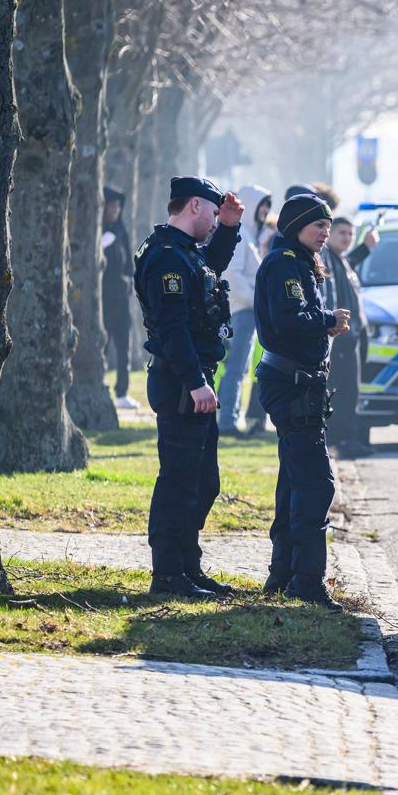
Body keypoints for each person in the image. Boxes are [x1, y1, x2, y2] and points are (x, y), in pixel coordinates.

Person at [133, 176, 244, 599]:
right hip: (181, 381)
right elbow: (172, 328)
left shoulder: (182, 252)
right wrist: (196, 382)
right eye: (214, 214)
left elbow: (208, 269)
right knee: (180, 480)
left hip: (194, 379)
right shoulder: (164, 256)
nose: (216, 222)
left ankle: (187, 567)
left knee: (203, 480)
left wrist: (231, 228)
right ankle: (167, 574)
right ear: (195, 206)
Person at [254, 193, 350, 608]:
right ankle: (308, 582)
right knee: (315, 483)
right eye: (319, 226)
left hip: (301, 383)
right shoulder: (284, 266)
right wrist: (328, 321)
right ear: (296, 226)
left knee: (294, 480)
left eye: (329, 226)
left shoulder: (299, 262)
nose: (325, 232)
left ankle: (284, 573)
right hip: (290, 383)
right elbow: (289, 321)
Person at [218, 184, 272, 436]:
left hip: (247, 308)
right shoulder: (242, 235)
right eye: (262, 205)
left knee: (241, 367)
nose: (266, 211)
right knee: (237, 368)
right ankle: (227, 420)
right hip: (243, 310)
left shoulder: (249, 235)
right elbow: (233, 275)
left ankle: (230, 417)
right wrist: (257, 300)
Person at [320, 216, 373, 458]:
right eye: (341, 232)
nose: (346, 238)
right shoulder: (326, 258)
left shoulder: (342, 260)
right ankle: (341, 440)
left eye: (350, 234)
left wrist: (366, 248)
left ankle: (346, 438)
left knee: (351, 390)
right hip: (340, 337)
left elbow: (350, 261)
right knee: (342, 390)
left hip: (353, 339)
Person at [101, 185, 138, 410]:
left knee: (124, 345)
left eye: (117, 206)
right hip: (103, 299)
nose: (114, 210)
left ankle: (122, 392)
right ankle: (101, 385)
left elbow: (128, 264)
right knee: (102, 345)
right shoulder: (99, 232)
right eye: (110, 206)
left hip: (121, 299)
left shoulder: (120, 231)